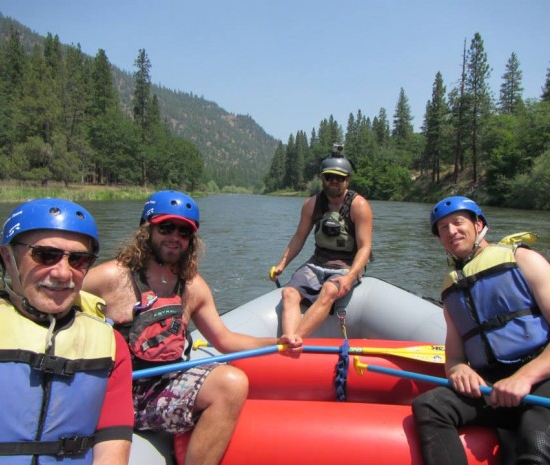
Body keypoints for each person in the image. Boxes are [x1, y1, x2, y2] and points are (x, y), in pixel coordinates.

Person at [82, 190, 301, 465]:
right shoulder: (110, 278)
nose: (175, 237)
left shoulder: (193, 287)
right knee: (230, 384)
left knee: (231, 382)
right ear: (146, 229)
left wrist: (277, 343)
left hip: (165, 386)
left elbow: (225, 340)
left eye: (184, 232)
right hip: (121, 393)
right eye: (166, 227)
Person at [412, 196, 550, 465]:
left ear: (478, 224)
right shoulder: (450, 289)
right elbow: (454, 358)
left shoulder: (523, 259)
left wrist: (524, 377)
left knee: (537, 446)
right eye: (442, 229)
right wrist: (460, 370)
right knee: (429, 406)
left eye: (457, 223)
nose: (451, 232)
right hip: (495, 386)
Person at [0, 198, 134, 464]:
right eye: (45, 255)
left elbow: (112, 445)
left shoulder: (110, 344)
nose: (64, 273)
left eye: (79, 259)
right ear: (9, 258)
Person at [270, 143, 373, 339]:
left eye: (340, 177)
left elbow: (365, 247)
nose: (334, 181)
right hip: (317, 264)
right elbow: (299, 237)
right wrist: (282, 264)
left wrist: (350, 277)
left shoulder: (359, 206)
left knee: (328, 290)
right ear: (321, 178)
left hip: (346, 266)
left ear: (347, 180)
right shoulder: (312, 204)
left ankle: (293, 341)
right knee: (289, 294)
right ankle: (290, 341)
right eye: (329, 177)